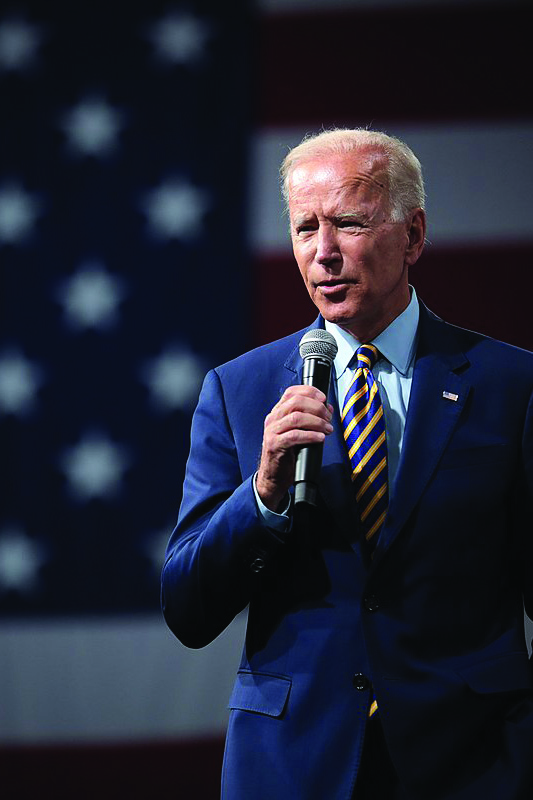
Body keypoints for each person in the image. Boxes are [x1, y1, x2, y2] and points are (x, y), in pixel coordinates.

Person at [161, 129, 533, 799]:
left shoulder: (510, 384)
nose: (323, 252)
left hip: (475, 761)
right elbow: (188, 609)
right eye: (305, 228)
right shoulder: (238, 391)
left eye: (349, 224)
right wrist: (263, 492)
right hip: (294, 765)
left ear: (413, 235)